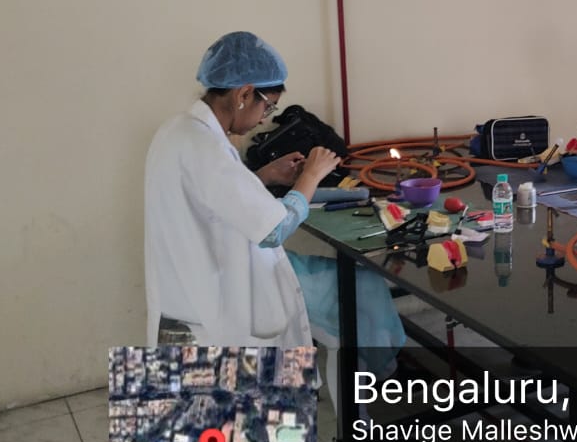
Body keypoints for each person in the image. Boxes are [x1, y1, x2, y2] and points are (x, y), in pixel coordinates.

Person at [144, 32, 407, 370]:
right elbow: (275, 230)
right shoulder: (207, 148)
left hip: (188, 289)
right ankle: (381, 374)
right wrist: (312, 175)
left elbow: (210, 199)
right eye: (267, 106)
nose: (265, 117)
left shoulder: (178, 131)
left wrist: (264, 176)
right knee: (364, 286)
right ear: (243, 94)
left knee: (200, 410)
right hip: (223, 292)